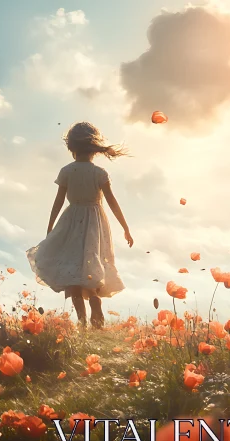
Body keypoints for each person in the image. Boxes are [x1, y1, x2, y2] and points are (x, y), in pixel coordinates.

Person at [26, 122, 133, 329]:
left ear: (71, 147)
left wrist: (50, 227)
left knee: (72, 270)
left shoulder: (67, 171)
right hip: (95, 223)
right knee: (90, 265)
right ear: (94, 149)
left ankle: (82, 321)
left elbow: (58, 202)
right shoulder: (99, 173)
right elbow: (112, 202)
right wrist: (125, 228)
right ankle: (94, 300)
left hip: (71, 222)